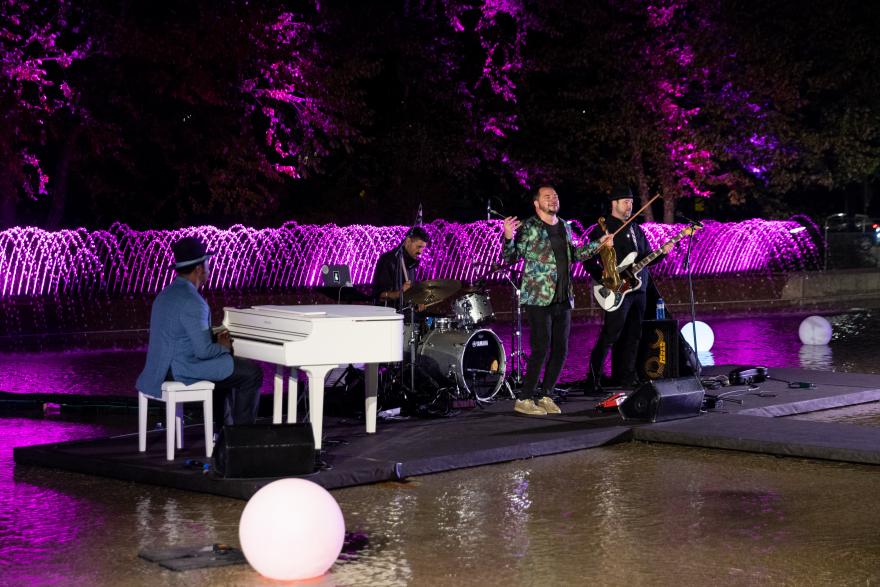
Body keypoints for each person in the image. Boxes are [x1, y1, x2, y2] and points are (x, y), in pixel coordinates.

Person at [502, 185, 613, 416]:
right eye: (547, 197)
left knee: (561, 349)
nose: (553, 199)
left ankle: (545, 394)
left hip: (563, 295)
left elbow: (577, 255)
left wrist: (600, 242)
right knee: (541, 348)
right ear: (536, 203)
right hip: (538, 297)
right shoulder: (529, 227)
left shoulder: (564, 225)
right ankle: (524, 398)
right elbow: (510, 258)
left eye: (555, 196)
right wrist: (508, 236)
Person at [136, 236, 261, 428]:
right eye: (207, 263)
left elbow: (179, 334)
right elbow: (203, 352)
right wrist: (223, 346)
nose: (209, 268)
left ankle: (223, 431)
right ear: (199, 269)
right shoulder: (194, 302)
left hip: (159, 370)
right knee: (251, 373)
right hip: (180, 370)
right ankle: (242, 439)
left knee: (226, 370)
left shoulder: (164, 295)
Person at [583, 186, 672, 394]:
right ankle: (593, 379)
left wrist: (663, 252)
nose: (630, 206)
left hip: (639, 289)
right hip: (616, 289)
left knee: (634, 334)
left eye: (631, 202)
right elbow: (588, 259)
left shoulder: (636, 228)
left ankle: (628, 377)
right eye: (625, 202)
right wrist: (605, 279)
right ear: (614, 204)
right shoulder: (603, 229)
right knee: (610, 334)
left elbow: (646, 258)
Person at [371, 226, 430, 307]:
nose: (420, 251)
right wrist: (400, 293)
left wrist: (417, 301)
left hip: (407, 315)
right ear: (408, 241)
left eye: (423, 248)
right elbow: (379, 296)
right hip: (389, 316)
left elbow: (410, 295)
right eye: (419, 247)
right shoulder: (388, 260)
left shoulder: (412, 262)